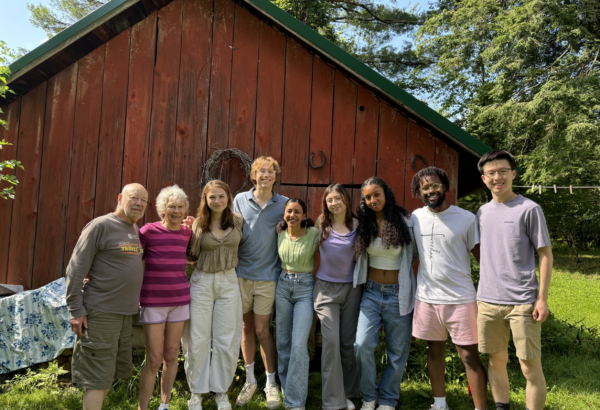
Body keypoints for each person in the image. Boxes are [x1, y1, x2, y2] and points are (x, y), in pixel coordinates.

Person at [476, 150, 553, 410]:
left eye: (503, 171)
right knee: (495, 361)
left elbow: (545, 255)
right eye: (491, 173)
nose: (497, 177)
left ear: (513, 174)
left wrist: (541, 298)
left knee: (529, 366)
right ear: (484, 178)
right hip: (487, 301)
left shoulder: (529, 209)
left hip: (523, 301)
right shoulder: (482, 212)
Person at [409, 167, 487, 410]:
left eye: (435, 185)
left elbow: (482, 259)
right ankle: (440, 404)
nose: (431, 190)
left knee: (468, 356)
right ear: (419, 191)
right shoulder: (416, 217)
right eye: (425, 187)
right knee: (434, 352)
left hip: (460, 298)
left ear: (444, 187)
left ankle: (480, 407)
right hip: (427, 298)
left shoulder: (466, 218)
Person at [66, 183, 148, 410]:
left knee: (107, 376)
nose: (139, 203)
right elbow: (75, 269)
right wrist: (76, 310)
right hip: (100, 313)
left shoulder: (133, 230)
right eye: (134, 198)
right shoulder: (101, 226)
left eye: (143, 200)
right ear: (121, 197)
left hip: (124, 316)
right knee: (97, 378)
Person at [353, 177, 415, 410]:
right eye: (367, 197)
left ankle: (388, 398)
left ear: (386, 194)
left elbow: (417, 253)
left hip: (398, 294)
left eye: (376, 194)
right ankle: (369, 396)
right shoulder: (364, 223)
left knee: (397, 352)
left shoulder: (405, 221)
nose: (372, 200)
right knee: (361, 345)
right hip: (371, 292)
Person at [182, 180, 244, 410]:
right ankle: (196, 392)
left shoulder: (238, 221)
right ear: (205, 200)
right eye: (212, 197)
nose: (216, 201)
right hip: (202, 281)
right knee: (196, 338)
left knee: (227, 338)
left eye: (221, 196)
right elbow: (190, 255)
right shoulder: (198, 224)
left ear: (228, 197)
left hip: (229, 281)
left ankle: (221, 391)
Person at [233, 156, 287, 409]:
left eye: (271, 171)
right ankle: (250, 380)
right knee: (246, 329)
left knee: (263, 330)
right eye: (261, 171)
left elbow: (296, 229)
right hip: (241, 274)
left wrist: (286, 224)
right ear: (253, 175)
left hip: (268, 276)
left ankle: (271, 383)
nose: (266, 175)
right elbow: (230, 229)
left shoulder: (284, 204)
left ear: (276, 176)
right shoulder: (239, 200)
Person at [137, 185, 192, 410]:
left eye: (180, 207)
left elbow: (191, 257)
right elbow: (130, 259)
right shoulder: (148, 231)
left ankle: (164, 405)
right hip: (153, 302)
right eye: (172, 207)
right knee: (154, 359)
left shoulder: (188, 233)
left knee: (171, 355)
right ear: (162, 209)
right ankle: (142, 407)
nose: (176, 211)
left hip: (179, 300)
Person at [314, 184, 361, 410]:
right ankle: (333, 401)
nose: (334, 203)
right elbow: (298, 235)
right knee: (331, 342)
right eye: (330, 199)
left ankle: (350, 391)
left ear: (346, 200)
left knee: (346, 343)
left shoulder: (358, 226)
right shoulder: (320, 224)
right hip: (325, 290)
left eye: (338, 198)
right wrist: (283, 225)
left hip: (352, 289)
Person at [276, 198, 319, 410]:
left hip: (305, 288)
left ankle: (296, 402)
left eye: (297, 212)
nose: (292, 215)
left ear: (304, 215)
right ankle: (287, 388)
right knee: (282, 342)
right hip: (282, 286)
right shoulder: (280, 233)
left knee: (299, 344)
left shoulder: (313, 233)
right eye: (289, 211)